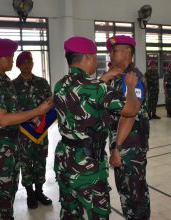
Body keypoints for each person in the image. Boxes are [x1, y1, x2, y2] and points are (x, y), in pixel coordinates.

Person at [53, 36, 140, 219]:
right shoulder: (98, 88)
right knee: (98, 213)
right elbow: (131, 110)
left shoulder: (60, 85)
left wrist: (105, 78)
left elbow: (83, 93)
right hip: (87, 165)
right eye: (94, 57)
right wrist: (130, 88)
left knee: (70, 211)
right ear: (87, 57)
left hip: (64, 158)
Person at [0, 38, 53, 220]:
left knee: (9, 191)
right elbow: (3, 119)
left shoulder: (5, 81)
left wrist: (34, 116)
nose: (12, 60)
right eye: (10, 56)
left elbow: (14, 111)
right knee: (3, 196)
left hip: (11, 145)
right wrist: (37, 110)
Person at [105, 35, 151, 220]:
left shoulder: (134, 78)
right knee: (125, 190)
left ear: (127, 53)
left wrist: (117, 147)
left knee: (135, 192)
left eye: (114, 51)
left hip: (130, 145)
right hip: (121, 142)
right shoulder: (118, 77)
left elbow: (130, 115)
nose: (110, 54)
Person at [12, 51, 53, 209]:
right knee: (26, 162)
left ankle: (40, 192)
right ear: (19, 65)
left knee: (41, 159)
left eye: (30, 61)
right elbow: (12, 110)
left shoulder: (42, 83)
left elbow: (49, 103)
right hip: (23, 133)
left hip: (40, 130)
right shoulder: (13, 85)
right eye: (24, 62)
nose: (27, 64)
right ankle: (30, 193)